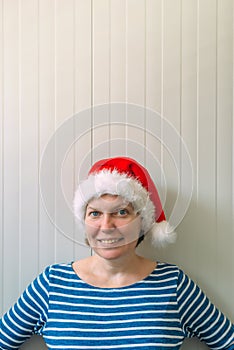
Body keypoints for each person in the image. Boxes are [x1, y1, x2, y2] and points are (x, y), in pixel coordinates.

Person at [0, 156, 234, 350]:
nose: (106, 225)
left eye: (122, 212)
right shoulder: (52, 284)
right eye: (94, 213)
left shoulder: (173, 284)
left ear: (142, 222)